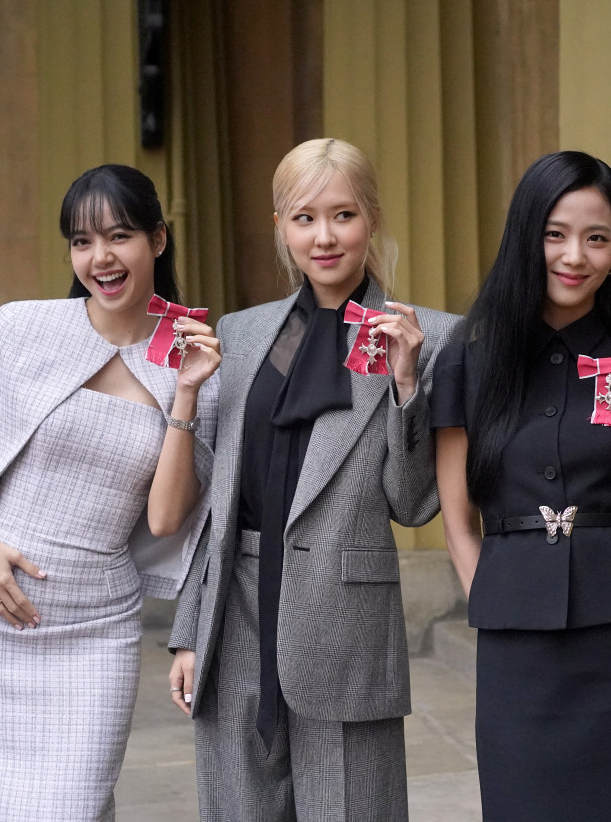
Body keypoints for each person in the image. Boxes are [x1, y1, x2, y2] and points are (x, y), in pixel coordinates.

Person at [167, 138, 460, 821]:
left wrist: (406, 384)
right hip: (233, 612)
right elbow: (214, 503)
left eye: (343, 215)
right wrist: (189, 629)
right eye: (304, 218)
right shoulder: (238, 336)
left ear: (373, 218)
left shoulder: (432, 336)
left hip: (344, 619)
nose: (324, 236)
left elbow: (413, 502)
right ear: (280, 226)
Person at [432, 150, 611, 821]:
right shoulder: (469, 359)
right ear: (526, 237)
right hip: (520, 646)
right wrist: (495, 594)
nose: (575, 255)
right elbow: (456, 517)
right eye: (556, 234)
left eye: (596, 237)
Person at [0, 164, 220, 821]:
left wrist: (186, 393)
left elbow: (168, 516)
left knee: (74, 807)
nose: (100, 258)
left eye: (119, 236)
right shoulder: (21, 328)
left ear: (158, 238)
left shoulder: (197, 360)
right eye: (81, 241)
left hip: (96, 633)